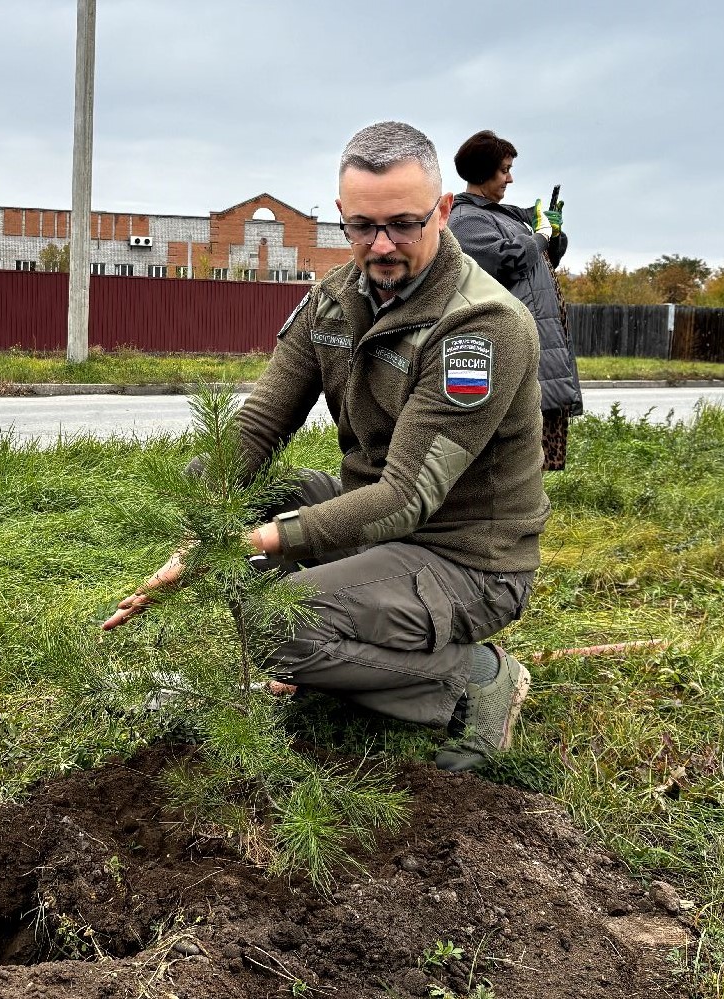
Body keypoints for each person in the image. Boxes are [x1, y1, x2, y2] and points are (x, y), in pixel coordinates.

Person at [102, 121, 548, 772]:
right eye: (362, 227)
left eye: (403, 223)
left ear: (443, 211)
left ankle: (471, 679)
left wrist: (250, 543)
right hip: (371, 520)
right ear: (340, 215)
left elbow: (405, 498)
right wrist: (203, 524)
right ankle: (328, 670)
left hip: (467, 556)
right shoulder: (334, 301)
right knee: (257, 495)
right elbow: (257, 426)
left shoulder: (479, 328)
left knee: (276, 622)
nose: (382, 245)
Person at [447, 130, 582, 470]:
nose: (510, 177)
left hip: (539, 331)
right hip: (504, 339)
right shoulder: (465, 219)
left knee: (534, 439)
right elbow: (508, 260)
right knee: (512, 441)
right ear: (482, 173)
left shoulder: (503, 214)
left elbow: (539, 261)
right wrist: (539, 235)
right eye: (504, 169)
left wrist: (554, 235)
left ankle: (522, 503)